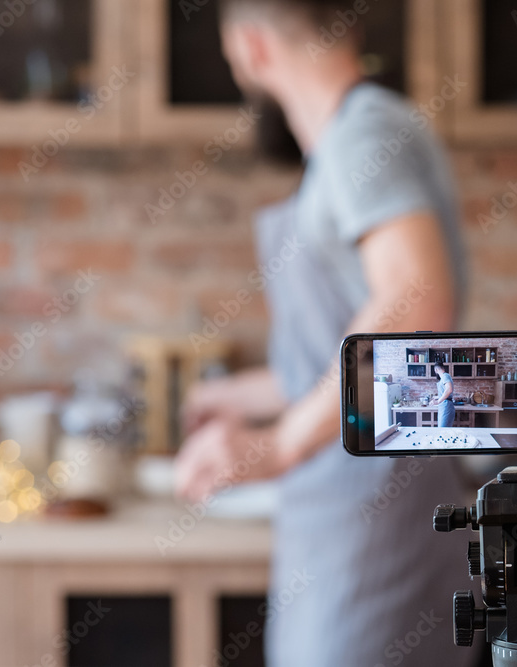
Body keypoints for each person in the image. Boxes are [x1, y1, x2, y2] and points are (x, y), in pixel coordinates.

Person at [173, 1, 480, 665]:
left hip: (376, 513)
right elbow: (348, 341)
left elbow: (414, 302)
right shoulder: (356, 134)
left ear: (250, 46)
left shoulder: (363, 136)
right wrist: (250, 396)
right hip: (348, 508)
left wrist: (279, 440)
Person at [432, 363, 455, 427]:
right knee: (442, 430)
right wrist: (436, 398)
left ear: (436, 370)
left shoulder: (445, 376)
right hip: (444, 406)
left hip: (446, 406)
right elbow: (444, 392)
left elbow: (449, 389)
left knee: (443, 430)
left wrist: (438, 401)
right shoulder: (443, 377)